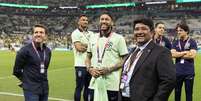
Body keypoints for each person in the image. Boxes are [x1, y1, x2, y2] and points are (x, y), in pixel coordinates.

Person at [120, 18, 176, 101]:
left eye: (144, 29)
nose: (139, 32)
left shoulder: (161, 52)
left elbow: (169, 81)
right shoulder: (133, 51)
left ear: (152, 32)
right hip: (124, 97)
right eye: (136, 29)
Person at [85, 13, 128, 101]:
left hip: (111, 84)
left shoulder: (119, 38)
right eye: (102, 19)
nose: (104, 21)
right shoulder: (92, 37)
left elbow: (125, 59)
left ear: (112, 23)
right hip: (94, 82)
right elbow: (88, 57)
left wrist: (109, 69)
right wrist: (90, 69)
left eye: (107, 19)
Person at [13, 24, 51, 101]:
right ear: (32, 35)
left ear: (45, 35)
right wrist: (26, 80)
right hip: (31, 89)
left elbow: (45, 68)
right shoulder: (24, 51)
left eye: (41, 32)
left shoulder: (48, 51)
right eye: (36, 32)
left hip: (44, 88)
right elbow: (16, 70)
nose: (38, 34)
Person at [171, 23, 197, 101]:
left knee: (189, 94)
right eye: (178, 31)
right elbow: (172, 54)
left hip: (189, 72)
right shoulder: (175, 42)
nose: (178, 32)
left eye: (181, 30)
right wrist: (184, 52)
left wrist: (178, 54)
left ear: (186, 31)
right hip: (177, 72)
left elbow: (192, 55)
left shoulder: (192, 41)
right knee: (177, 94)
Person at [71, 15, 93, 101]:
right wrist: (90, 46)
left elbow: (95, 46)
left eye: (86, 20)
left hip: (90, 65)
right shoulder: (75, 33)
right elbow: (79, 48)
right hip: (80, 65)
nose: (85, 22)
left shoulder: (91, 33)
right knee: (79, 87)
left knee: (88, 87)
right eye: (83, 20)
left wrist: (85, 45)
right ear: (79, 22)